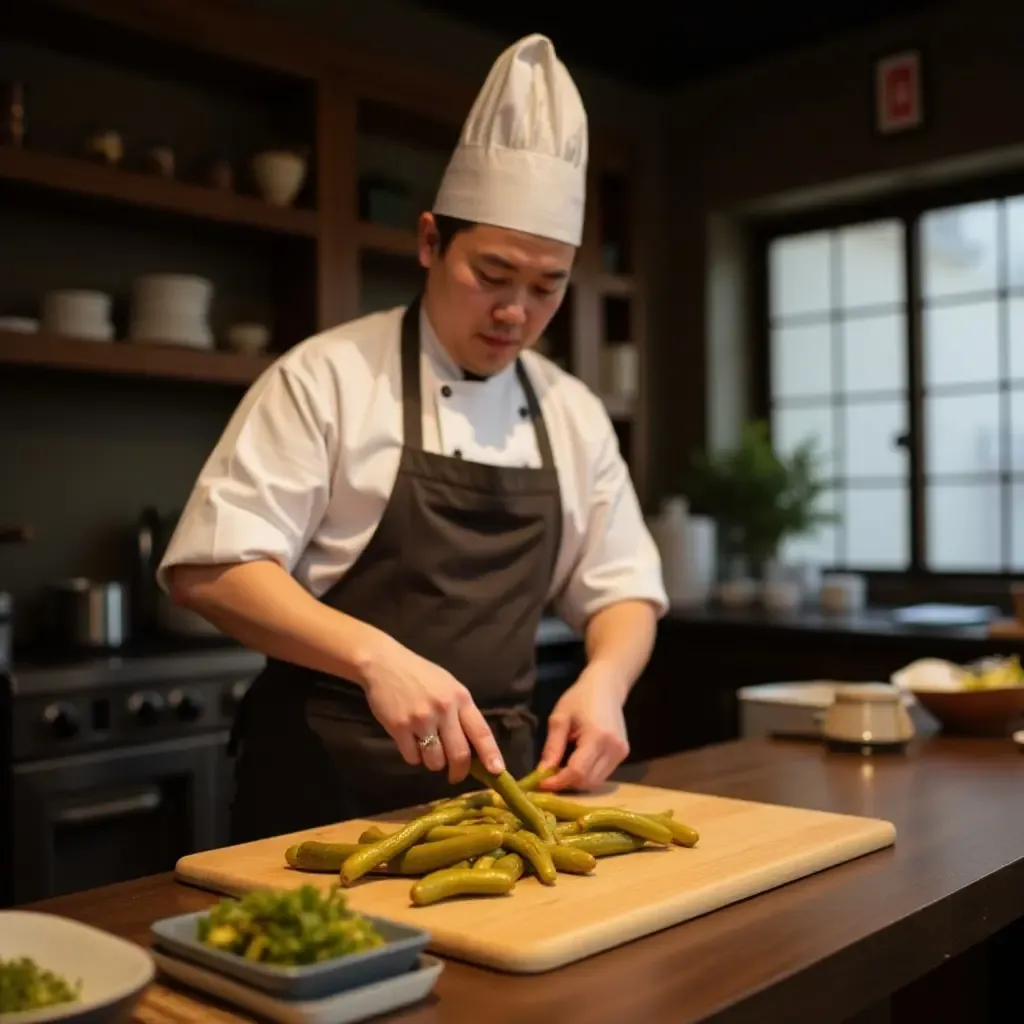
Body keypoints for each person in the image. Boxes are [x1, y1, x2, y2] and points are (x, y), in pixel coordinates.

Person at [158, 33, 668, 844]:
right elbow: (212, 569)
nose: (516, 313)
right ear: (430, 241)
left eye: (548, 287)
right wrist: (372, 656)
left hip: (501, 795)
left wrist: (606, 680)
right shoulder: (324, 376)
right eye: (493, 276)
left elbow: (623, 588)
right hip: (321, 788)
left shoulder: (571, 409)